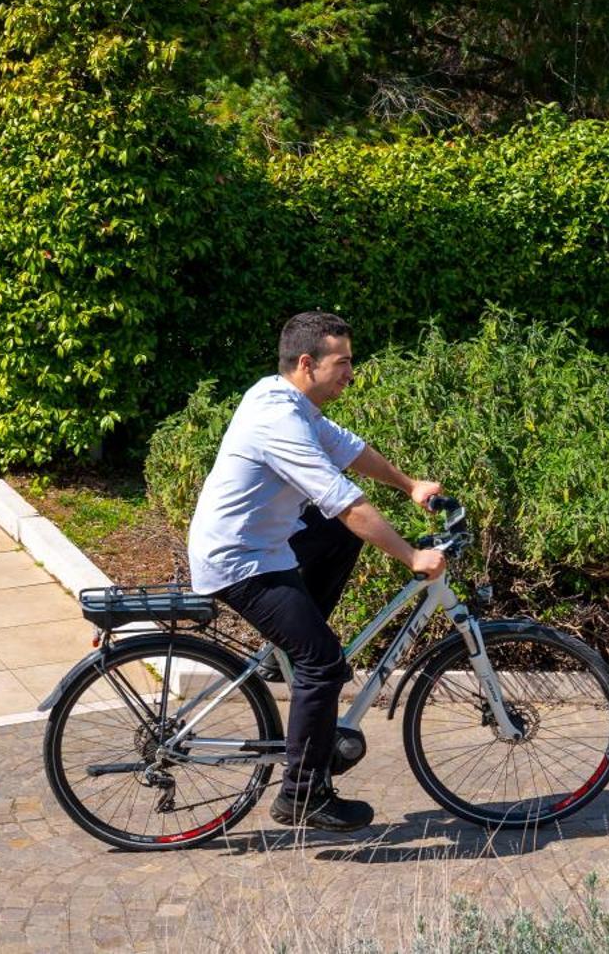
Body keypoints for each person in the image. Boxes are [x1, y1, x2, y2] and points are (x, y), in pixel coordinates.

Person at [187, 311, 447, 832]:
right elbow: (344, 501)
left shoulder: (286, 397)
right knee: (324, 664)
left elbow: (350, 451)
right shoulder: (278, 421)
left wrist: (410, 484)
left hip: (263, 545)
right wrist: (412, 557)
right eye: (343, 362)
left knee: (333, 538)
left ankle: (284, 652)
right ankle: (302, 795)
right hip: (240, 560)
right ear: (307, 364)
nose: (352, 372)